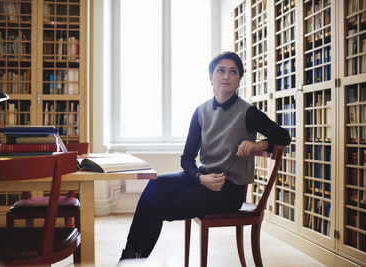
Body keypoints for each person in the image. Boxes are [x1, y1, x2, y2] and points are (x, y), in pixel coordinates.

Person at [119, 51, 291, 260]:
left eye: (233, 72)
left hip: (228, 190)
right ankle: (131, 258)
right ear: (211, 77)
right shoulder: (200, 111)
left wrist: (258, 145)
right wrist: (201, 178)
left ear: (238, 80)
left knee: (159, 205)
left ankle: (131, 261)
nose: (227, 76)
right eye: (221, 71)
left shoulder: (247, 112)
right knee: (156, 185)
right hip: (203, 178)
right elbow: (187, 158)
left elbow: (283, 137)